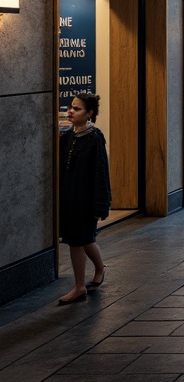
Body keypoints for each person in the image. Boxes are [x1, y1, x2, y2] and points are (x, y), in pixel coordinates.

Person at [57, 93, 111, 304]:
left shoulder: (94, 138)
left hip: (85, 200)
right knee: (85, 239)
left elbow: (100, 173)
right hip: (70, 197)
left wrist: (100, 205)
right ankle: (99, 268)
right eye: (71, 107)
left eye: (77, 109)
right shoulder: (67, 136)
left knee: (77, 241)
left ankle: (79, 287)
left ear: (89, 114)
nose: (71, 111)